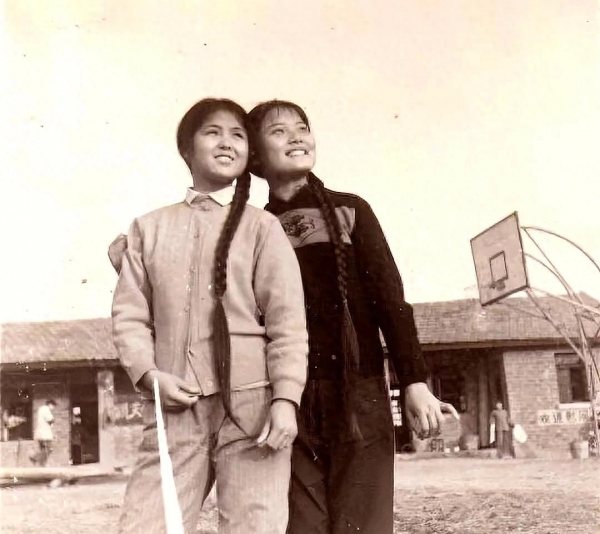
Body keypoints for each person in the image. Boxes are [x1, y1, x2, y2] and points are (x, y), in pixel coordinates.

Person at [247, 100, 454, 534]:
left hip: (359, 392)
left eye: (302, 127)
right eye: (279, 131)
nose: (297, 137)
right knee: (302, 525)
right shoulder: (253, 228)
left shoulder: (351, 210)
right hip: (286, 398)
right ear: (255, 157)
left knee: (364, 523)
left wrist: (414, 381)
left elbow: (390, 300)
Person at [110, 98, 309, 534]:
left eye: (237, 135)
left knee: (255, 527)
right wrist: (149, 375)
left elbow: (288, 324)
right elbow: (129, 316)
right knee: (147, 525)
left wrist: (285, 400)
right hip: (175, 402)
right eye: (212, 132)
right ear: (186, 148)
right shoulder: (148, 228)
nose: (226, 143)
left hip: (253, 408)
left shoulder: (263, 227)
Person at [30, 399, 56, 467]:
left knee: (43, 449)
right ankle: (35, 457)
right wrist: (53, 421)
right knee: (48, 449)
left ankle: (42, 464)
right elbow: (50, 419)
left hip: (40, 433)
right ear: (50, 404)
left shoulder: (40, 409)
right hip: (45, 434)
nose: (53, 408)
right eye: (53, 406)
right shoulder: (46, 409)